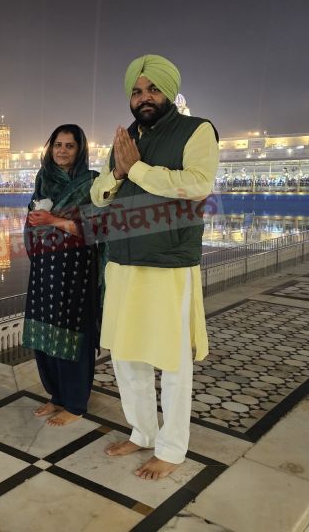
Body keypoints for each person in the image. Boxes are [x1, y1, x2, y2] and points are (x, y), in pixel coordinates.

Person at [90, 55, 220, 479]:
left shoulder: (196, 130)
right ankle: (142, 432)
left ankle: (172, 448)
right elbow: (98, 194)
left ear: (169, 92)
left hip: (168, 265)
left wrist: (138, 169)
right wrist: (118, 172)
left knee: (173, 360)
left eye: (152, 89)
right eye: (136, 91)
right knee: (127, 356)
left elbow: (198, 184)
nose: (144, 97)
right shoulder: (126, 137)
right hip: (123, 261)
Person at [22, 124, 102, 426]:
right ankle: (56, 395)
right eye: (58, 144)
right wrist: (36, 223)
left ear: (80, 150)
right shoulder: (43, 179)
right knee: (45, 332)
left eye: (70, 146)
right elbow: (31, 221)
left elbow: (97, 229)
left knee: (73, 335)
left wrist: (53, 220)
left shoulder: (91, 182)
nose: (62, 151)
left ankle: (75, 403)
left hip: (76, 269)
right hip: (45, 267)